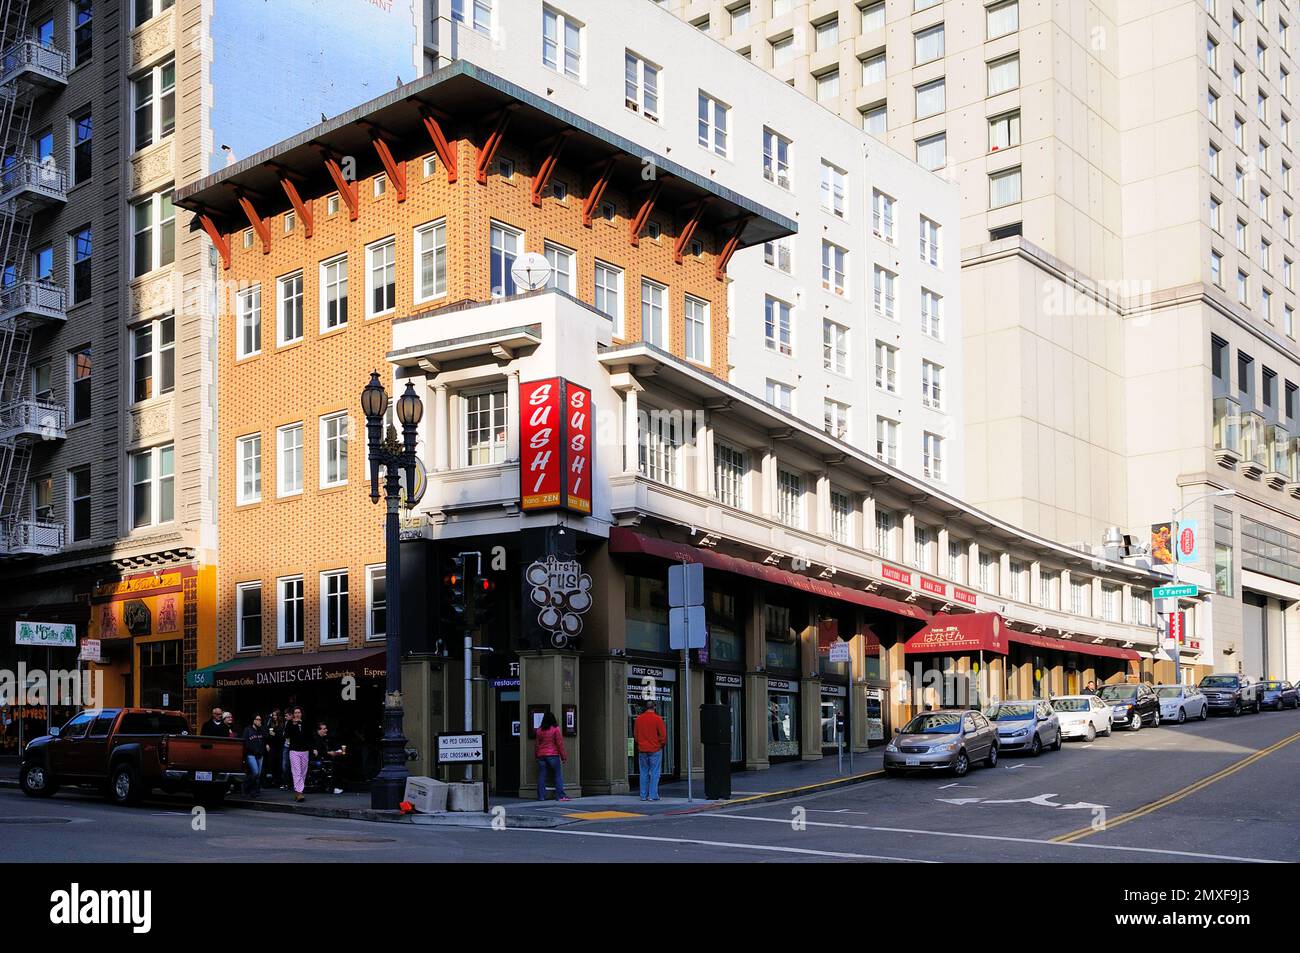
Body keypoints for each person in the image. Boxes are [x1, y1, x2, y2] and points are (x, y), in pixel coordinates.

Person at [633, 700, 667, 802]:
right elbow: (663, 736)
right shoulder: (658, 719)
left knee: (643, 772)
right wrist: (661, 745)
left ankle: (643, 795)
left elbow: (636, 735)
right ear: (654, 707)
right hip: (655, 749)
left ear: (645, 707)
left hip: (642, 749)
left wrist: (640, 743)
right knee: (654, 773)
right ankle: (653, 795)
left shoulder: (639, 719)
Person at [534, 712, 569, 802]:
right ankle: (560, 796)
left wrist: (536, 755)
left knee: (542, 776)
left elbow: (537, 745)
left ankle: (541, 796)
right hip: (553, 755)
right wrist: (563, 757)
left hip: (541, 755)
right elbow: (559, 744)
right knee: (557, 775)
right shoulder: (556, 729)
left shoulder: (539, 730)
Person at [311, 722, 346, 795]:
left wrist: (334, 752)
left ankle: (339, 785)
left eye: (326, 728)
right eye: (324, 729)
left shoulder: (325, 738)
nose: (326, 730)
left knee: (341, 762)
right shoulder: (315, 739)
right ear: (318, 730)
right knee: (335, 764)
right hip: (318, 760)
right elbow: (317, 752)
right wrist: (329, 753)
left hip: (326, 757)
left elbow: (326, 749)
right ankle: (332, 788)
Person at [285, 707, 310, 802]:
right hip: (294, 750)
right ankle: (300, 793)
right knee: (297, 772)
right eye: (295, 713)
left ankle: (297, 791)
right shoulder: (290, 724)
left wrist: (313, 748)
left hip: (305, 750)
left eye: (299, 712)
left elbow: (309, 736)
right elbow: (286, 735)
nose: (297, 714)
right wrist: (294, 724)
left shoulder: (305, 724)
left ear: (301, 714)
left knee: (303, 772)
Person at [242, 714, 266, 797]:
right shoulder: (247, 729)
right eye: (257, 719)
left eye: (260, 719)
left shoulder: (261, 730)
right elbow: (245, 742)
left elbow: (265, 738)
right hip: (251, 754)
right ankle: (246, 786)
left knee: (258, 774)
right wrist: (253, 750)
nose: (259, 721)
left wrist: (262, 728)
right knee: (255, 772)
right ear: (253, 720)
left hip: (260, 755)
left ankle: (253, 790)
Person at [264, 710, 284, 787]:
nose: (274, 717)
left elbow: (282, 737)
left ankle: (278, 781)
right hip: (272, 745)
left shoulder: (281, 724)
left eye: (275, 715)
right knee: (272, 763)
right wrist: (267, 743)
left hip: (279, 746)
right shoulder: (270, 723)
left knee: (278, 763)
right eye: (273, 715)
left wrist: (274, 734)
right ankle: (273, 780)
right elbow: (266, 733)